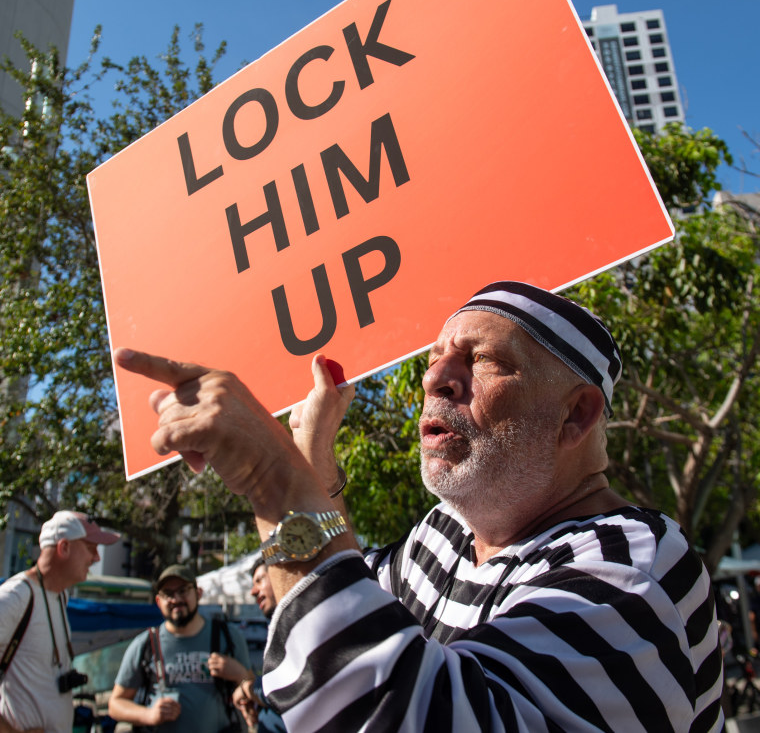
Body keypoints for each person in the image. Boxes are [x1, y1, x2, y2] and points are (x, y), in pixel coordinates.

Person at [116, 280, 724, 731]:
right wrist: (311, 464)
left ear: (576, 413)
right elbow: (335, 607)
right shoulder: (444, 534)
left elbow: (393, 707)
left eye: (481, 359)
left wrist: (274, 478)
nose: (436, 379)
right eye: (436, 358)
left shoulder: (632, 563)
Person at [0, 510, 120, 733]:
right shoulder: (15, 598)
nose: (97, 558)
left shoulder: (59, 595)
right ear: (64, 548)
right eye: (91, 548)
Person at [108, 563, 252, 732]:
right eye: (168, 594)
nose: (176, 599)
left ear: (198, 594)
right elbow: (115, 704)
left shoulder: (228, 636)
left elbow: (251, 687)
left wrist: (239, 674)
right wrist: (149, 715)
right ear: (158, 601)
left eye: (183, 591)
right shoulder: (145, 644)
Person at [232, 557, 285, 733]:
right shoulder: (277, 627)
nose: (253, 591)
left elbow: (288, 685)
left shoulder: (297, 623)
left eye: (260, 580)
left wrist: (250, 689)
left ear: (279, 575)